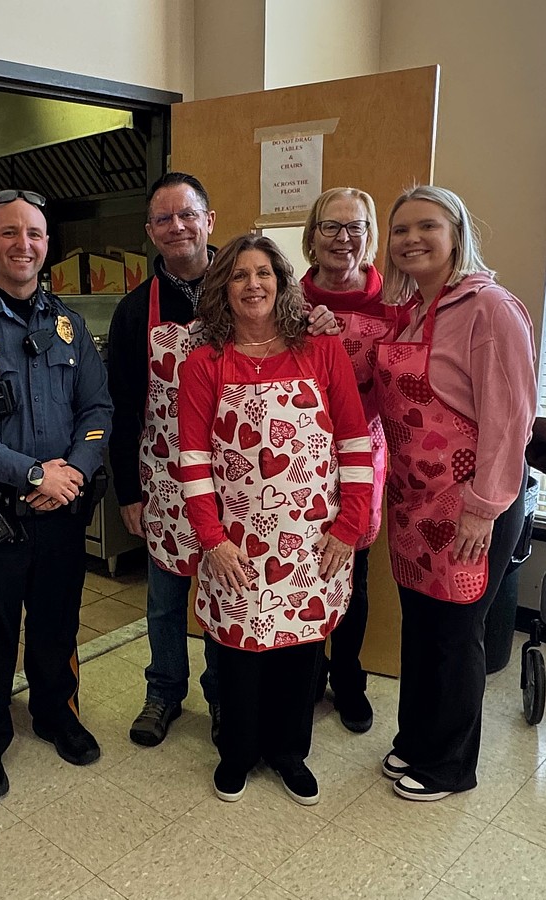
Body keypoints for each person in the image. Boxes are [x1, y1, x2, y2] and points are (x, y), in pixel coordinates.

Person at [108, 172, 342, 747]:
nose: (176, 227)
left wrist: (322, 320)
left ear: (209, 221)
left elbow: (304, 344)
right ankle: (163, 692)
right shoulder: (136, 310)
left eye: (187, 214)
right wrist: (128, 492)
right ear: (150, 232)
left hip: (244, 488)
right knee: (164, 599)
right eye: (163, 219)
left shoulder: (252, 286)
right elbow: (121, 406)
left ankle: (222, 697)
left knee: (227, 590)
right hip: (166, 477)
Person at [177, 234, 372, 805]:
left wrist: (349, 526)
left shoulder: (321, 351)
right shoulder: (203, 364)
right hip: (234, 543)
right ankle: (236, 752)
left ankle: (290, 753)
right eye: (239, 275)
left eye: (264, 273)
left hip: (310, 538)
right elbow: (192, 463)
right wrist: (211, 539)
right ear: (223, 288)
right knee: (236, 654)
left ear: (283, 283)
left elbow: (355, 443)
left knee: (299, 649)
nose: (253, 284)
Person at [0, 189, 113, 802]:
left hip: (63, 508)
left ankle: (56, 714)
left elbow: (96, 409)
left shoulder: (70, 325)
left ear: (46, 246)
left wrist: (76, 472)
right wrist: (36, 475)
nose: (23, 245)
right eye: (9, 233)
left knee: (58, 626)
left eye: (34, 233)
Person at [375, 185, 536, 802]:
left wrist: (483, 507)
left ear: (457, 234)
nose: (412, 239)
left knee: (456, 631)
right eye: (400, 230)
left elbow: (510, 419)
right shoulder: (414, 309)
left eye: (427, 226)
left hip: (472, 504)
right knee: (420, 626)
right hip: (416, 501)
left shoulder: (490, 308)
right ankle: (416, 740)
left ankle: (450, 765)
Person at [299, 187, 409, 734]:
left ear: (371, 237)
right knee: (302, 561)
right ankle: (307, 673)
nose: (344, 239)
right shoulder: (287, 301)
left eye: (356, 227)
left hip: (364, 447)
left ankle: (348, 678)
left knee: (353, 567)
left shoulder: (395, 303)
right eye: (331, 227)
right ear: (312, 237)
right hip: (298, 452)